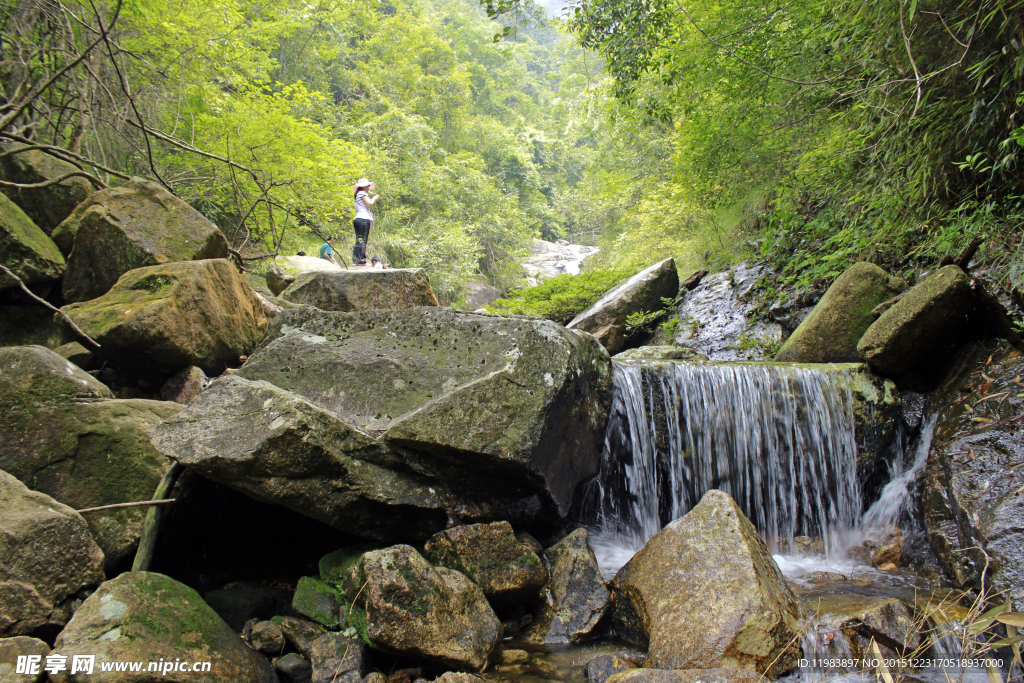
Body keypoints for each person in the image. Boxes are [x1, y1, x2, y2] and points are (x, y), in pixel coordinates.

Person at [352, 178, 380, 265]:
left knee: (359, 240)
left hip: (357, 219)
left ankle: (356, 260)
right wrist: (374, 198)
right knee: (363, 240)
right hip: (363, 219)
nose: (368, 187)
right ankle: (361, 260)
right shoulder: (362, 193)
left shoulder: (357, 194)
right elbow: (369, 204)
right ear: (363, 186)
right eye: (367, 185)